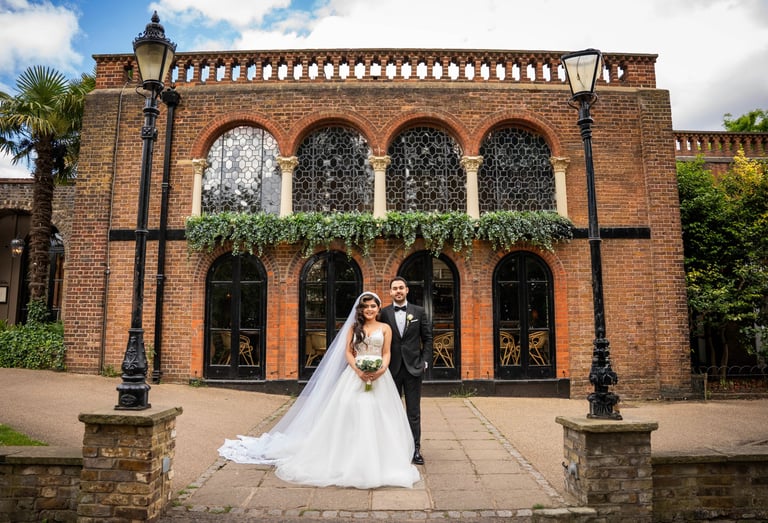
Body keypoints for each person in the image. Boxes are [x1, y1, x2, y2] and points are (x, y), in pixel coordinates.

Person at [218, 292, 420, 489]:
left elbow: (386, 353)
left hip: (379, 378)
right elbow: (348, 352)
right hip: (354, 376)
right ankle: (346, 457)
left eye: (373, 306)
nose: (369, 309)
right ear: (360, 309)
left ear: (378, 309)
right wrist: (358, 370)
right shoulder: (353, 327)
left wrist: (381, 369)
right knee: (349, 411)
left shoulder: (385, 328)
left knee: (379, 414)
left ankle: (379, 459)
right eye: (365, 306)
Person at [380, 277, 433, 465]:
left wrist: (424, 361)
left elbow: (427, 338)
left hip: (413, 369)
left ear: (407, 290)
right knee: (390, 411)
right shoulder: (383, 313)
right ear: (390, 292)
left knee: (413, 412)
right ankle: (392, 450)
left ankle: (415, 450)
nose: (398, 291)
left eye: (401, 288)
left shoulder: (418, 311)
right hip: (390, 370)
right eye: (394, 288)